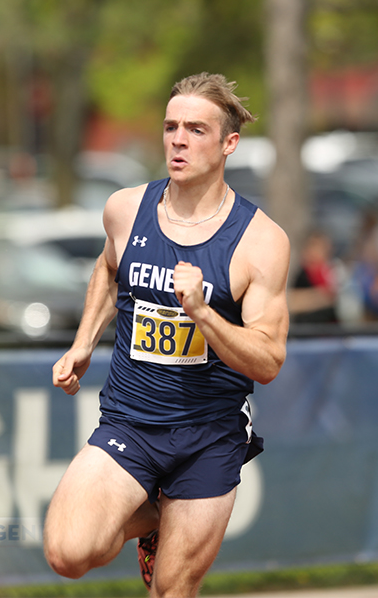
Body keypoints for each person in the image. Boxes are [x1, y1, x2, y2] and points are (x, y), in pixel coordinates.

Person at [46, 72, 289, 597]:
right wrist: (84, 342)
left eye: (197, 130)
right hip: (130, 423)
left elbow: (268, 360)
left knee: (170, 592)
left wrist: (203, 312)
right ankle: (157, 515)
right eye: (171, 126)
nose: (179, 139)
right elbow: (109, 269)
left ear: (229, 144)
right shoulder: (126, 208)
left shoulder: (260, 241)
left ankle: (173, 513)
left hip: (210, 436)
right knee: (67, 551)